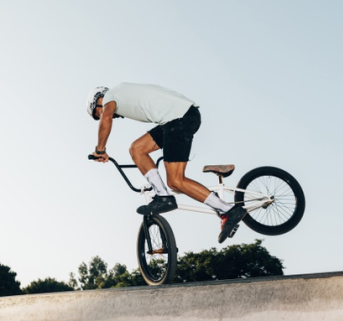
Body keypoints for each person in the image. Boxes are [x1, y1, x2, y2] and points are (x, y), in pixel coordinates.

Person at [86, 83, 246, 243]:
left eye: (97, 113)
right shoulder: (122, 93)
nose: (101, 116)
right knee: (137, 149)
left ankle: (229, 210)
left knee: (176, 181)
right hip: (174, 119)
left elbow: (106, 118)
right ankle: (163, 195)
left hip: (179, 119)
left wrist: (100, 150)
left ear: (98, 99)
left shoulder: (110, 96)